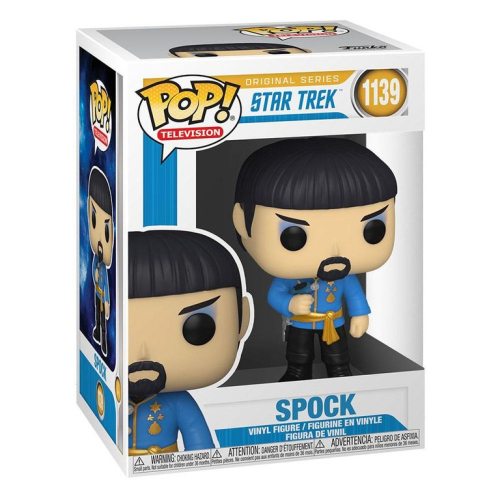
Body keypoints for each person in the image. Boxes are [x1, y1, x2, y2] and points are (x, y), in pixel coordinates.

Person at [233, 138, 397, 381]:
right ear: (242, 222)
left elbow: (354, 294)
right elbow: (274, 295)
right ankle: (297, 374)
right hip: (301, 323)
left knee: (337, 356)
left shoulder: (344, 276)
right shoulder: (290, 276)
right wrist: (290, 304)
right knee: (299, 356)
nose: (334, 250)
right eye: (294, 236)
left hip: (333, 322)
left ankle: (339, 373)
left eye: (372, 229)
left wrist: (360, 314)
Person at [128, 230, 251, 454]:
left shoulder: (179, 402)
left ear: (241, 322)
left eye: (198, 327)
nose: (143, 353)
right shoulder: (109, 397)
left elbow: (200, 445)